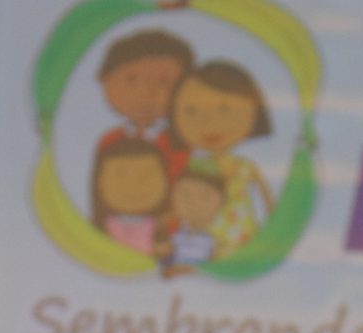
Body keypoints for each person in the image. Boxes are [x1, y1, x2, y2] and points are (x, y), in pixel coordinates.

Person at [170, 60, 277, 258]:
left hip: (243, 242)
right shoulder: (193, 165)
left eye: (225, 109)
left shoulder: (245, 167)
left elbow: (268, 200)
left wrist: (276, 229)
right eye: (192, 111)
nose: (209, 121)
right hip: (202, 247)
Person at [94, 28, 193, 183]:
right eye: (131, 80)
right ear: (104, 80)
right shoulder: (109, 141)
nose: (146, 93)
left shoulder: (182, 144)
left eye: (164, 82)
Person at [91, 135, 172, 257]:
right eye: (120, 177)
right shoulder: (101, 227)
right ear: (99, 182)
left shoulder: (158, 227)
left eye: (146, 177)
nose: (133, 186)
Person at [158, 162, 226, 275]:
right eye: (185, 194)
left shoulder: (215, 238)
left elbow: (214, 265)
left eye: (205, 197)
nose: (193, 203)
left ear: (221, 201)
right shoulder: (174, 232)